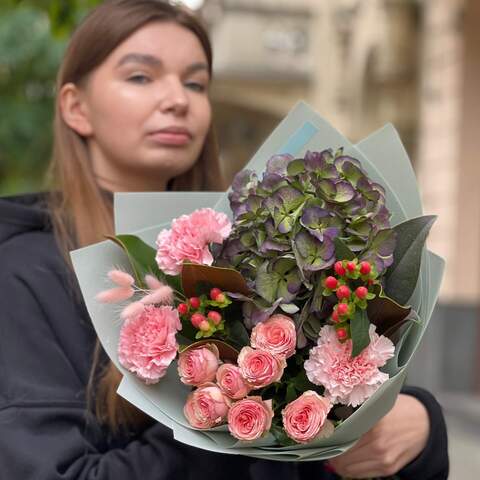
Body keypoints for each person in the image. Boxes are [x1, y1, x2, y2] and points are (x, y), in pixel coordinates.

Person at [0, 1, 448, 479]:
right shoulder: (24, 273)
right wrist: (227, 417)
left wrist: (419, 431)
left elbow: (313, 456)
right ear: (75, 107)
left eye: (195, 82)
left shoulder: (262, 256)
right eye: (141, 77)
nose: (178, 99)